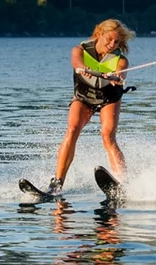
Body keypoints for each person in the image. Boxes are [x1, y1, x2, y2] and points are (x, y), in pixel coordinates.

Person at [47, 18, 136, 195]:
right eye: (109, 39)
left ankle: (123, 183)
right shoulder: (79, 50)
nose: (112, 44)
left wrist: (115, 77)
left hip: (108, 98)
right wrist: (82, 68)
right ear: (98, 34)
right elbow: (77, 63)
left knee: (108, 135)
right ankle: (57, 182)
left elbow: (121, 73)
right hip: (84, 97)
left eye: (116, 41)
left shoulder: (120, 60)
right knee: (72, 129)